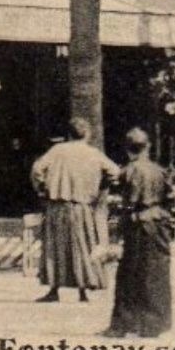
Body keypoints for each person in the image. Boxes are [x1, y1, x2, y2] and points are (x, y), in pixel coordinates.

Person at [29, 119, 118, 303]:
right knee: (82, 246)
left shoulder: (57, 150)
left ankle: (54, 289)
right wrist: (101, 187)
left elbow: (37, 168)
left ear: (69, 134)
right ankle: (82, 290)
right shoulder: (93, 153)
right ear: (87, 134)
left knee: (55, 247)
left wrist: (43, 187)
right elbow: (115, 171)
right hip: (82, 206)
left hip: (57, 205)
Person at [105, 128, 173, 337]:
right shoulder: (160, 171)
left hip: (138, 224)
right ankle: (154, 324)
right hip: (158, 223)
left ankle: (124, 324)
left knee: (129, 274)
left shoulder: (128, 171)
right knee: (156, 274)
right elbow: (168, 197)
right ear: (148, 147)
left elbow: (128, 203)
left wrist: (118, 229)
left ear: (128, 149)